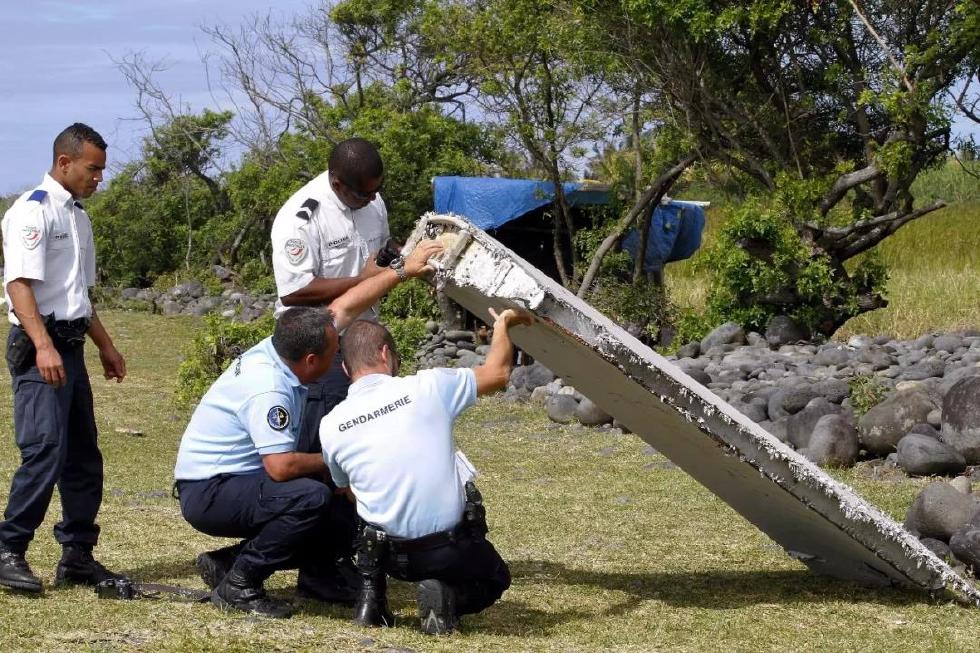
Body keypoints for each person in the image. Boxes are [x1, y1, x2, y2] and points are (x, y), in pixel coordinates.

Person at [174, 240, 443, 619]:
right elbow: (281, 468)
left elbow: (345, 305)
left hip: (232, 479)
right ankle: (240, 584)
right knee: (310, 497)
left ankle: (235, 564)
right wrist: (340, 459)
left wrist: (403, 271)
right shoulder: (271, 388)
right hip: (210, 490)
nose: (340, 360)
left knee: (336, 505)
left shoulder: (286, 343)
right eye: (336, 355)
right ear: (312, 359)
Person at [320, 307, 534, 635]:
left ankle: (371, 597)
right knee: (495, 578)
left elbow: (345, 489)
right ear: (385, 353)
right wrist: (503, 325)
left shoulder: (331, 424)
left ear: (347, 368)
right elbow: (497, 372)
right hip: (448, 550)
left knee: (358, 495)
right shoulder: (429, 387)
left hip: (389, 557)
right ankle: (448, 598)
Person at [0, 123, 128, 594]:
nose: (99, 178)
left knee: (83, 456)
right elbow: (19, 285)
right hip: (41, 348)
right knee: (44, 451)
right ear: (64, 163)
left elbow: (77, 294)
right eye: (93, 169)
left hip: (70, 345)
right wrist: (43, 344)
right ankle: (8, 549)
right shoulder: (32, 213)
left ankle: (77, 555)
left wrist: (105, 344)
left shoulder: (77, 216)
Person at [270, 137, 393, 455]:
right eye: (364, 193)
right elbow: (294, 292)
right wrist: (361, 280)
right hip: (318, 338)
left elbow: (379, 254)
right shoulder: (301, 218)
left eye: (376, 190)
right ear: (338, 184)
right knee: (327, 432)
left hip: (364, 331)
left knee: (378, 427)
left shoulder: (373, 202)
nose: (372, 199)